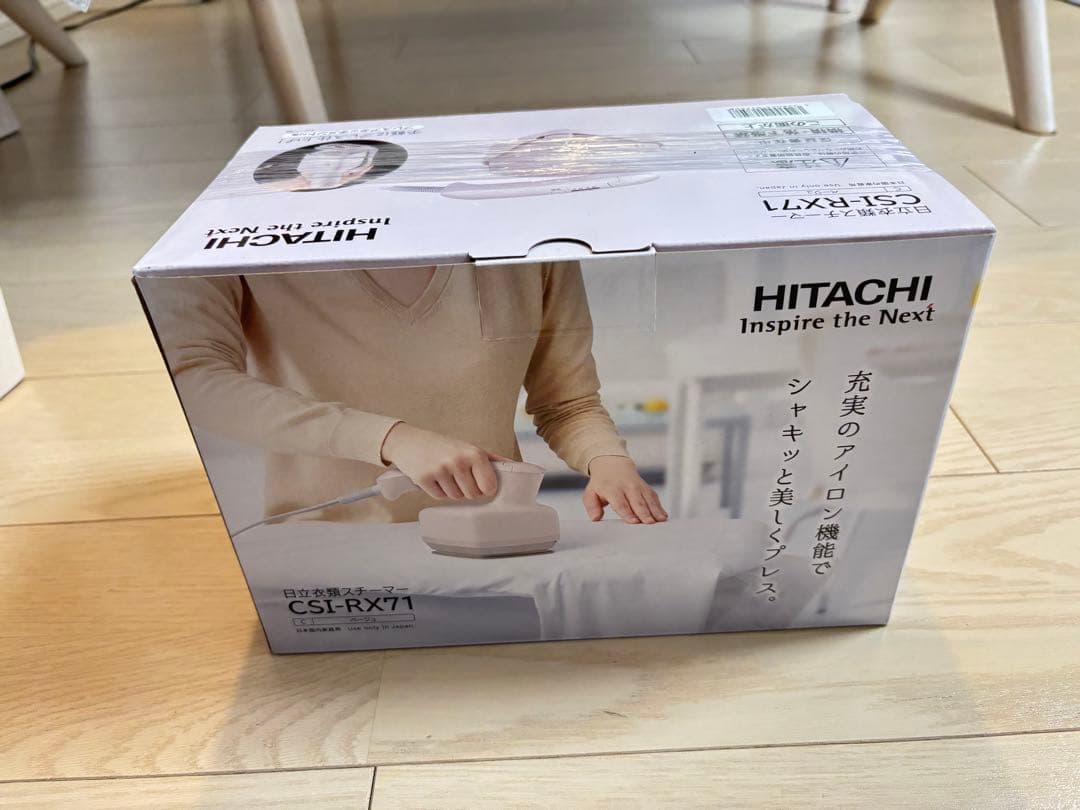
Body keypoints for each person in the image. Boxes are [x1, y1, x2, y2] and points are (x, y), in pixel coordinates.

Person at [142, 261, 667, 528]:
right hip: (326, 543)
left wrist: (607, 460)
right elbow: (194, 379)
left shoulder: (529, 243)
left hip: (490, 539)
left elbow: (567, 403)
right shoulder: (237, 239)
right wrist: (393, 439)